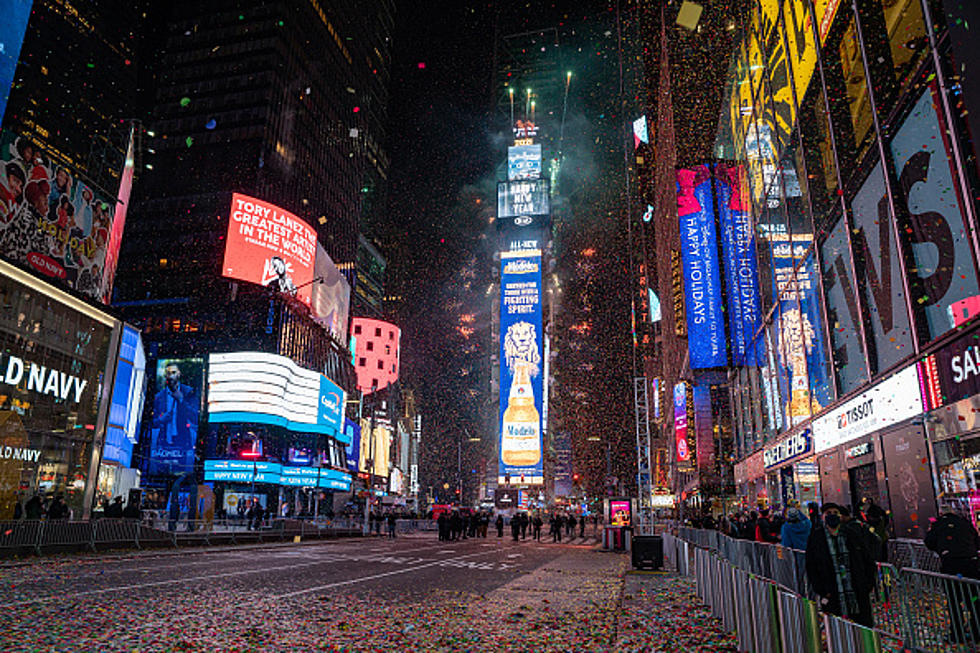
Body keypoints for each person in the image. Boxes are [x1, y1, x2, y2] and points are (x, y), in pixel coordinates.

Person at [805, 503, 876, 628]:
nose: (832, 516)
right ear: (823, 517)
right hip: (832, 592)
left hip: (856, 590)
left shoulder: (851, 534)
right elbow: (811, 566)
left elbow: (867, 560)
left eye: (835, 513)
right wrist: (821, 590)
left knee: (862, 626)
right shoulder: (817, 538)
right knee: (837, 628)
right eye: (828, 513)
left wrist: (868, 584)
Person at [925, 513, 980, 643]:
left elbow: (929, 542)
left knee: (954, 601)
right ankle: (976, 630)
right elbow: (977, 541)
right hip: (971, 565)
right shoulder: (964, 522)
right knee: (974, 598)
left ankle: (957, 632)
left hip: (951, 566)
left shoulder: (938, 525)